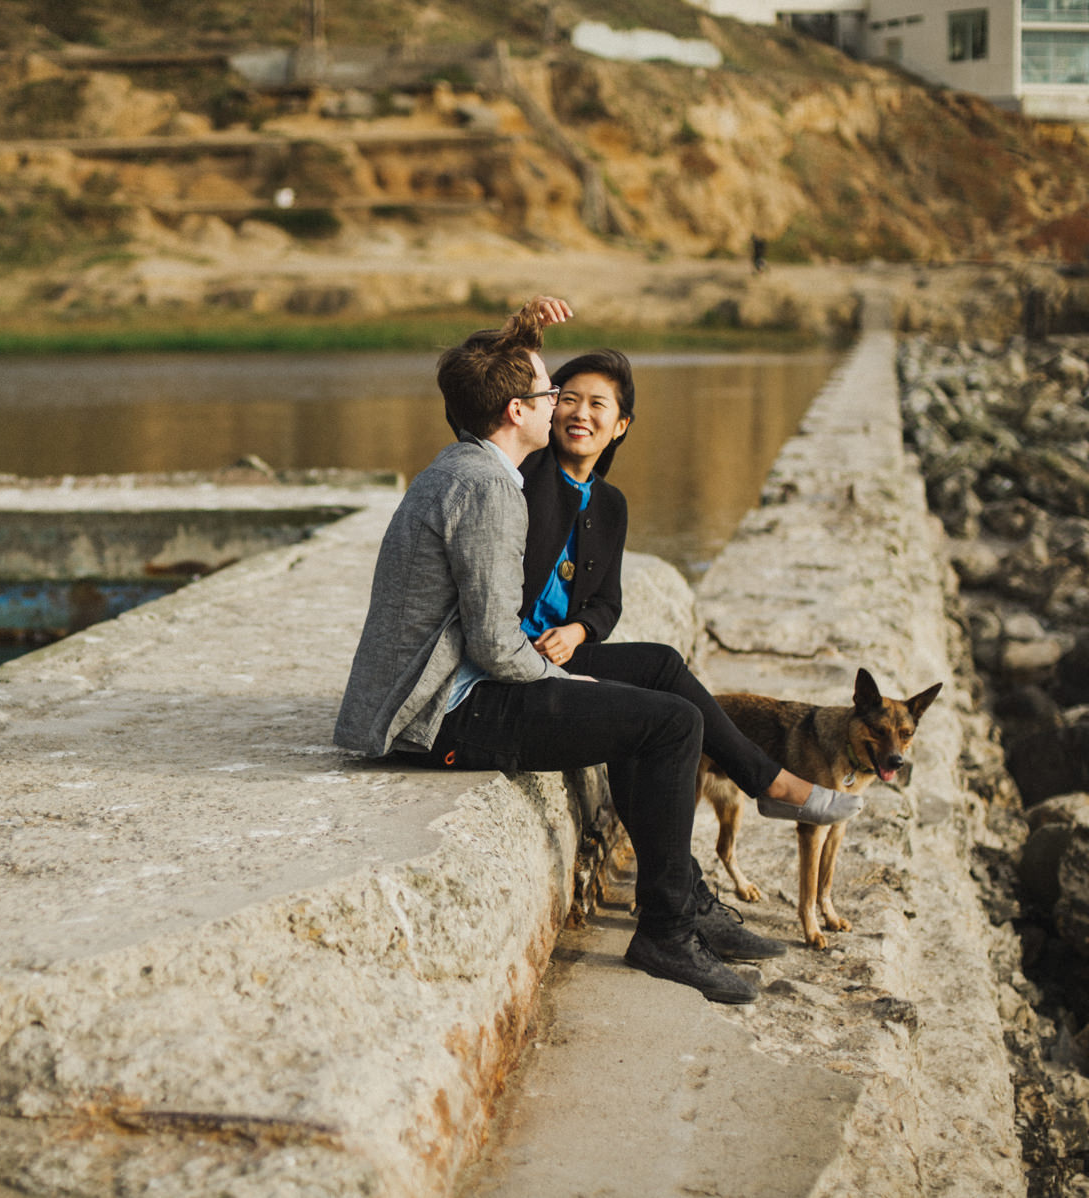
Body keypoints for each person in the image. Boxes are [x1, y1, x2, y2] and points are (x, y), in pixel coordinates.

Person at [333, 298, 860, 1005]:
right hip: (442, 715)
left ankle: (689, 896)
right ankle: (667, 933)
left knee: (659, 679)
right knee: (669, 723)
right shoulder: (492, 486)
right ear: (521, 412)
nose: (561, 404)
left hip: (450, 688)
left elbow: (480, 390)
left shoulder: (467, 466)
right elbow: (495, 645)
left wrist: (521, 339)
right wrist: (563, 676)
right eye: (551, 392)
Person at [517, 348, 836, 966]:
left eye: (597, 405)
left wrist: (579, 633)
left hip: (560, 656)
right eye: (568, 398)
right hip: (516, 665)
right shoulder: (525, 474)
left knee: (662, 666)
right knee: (662, 719)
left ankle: (699, 878)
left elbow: (604, 604)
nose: (579, 413)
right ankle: (758, 794)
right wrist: (525, 334)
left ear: (621, 425)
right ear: (548, 407)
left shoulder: (609, 505)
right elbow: (481, 409)